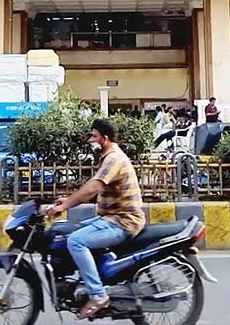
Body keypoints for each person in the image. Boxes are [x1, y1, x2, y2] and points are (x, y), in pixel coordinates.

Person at [46, 119, 145, 318]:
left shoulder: (114, 158)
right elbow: (91, 187)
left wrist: (66, 206)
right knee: (68, 232)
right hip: (110, 218)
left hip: (123, 221)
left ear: (104, 138)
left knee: (76, 241)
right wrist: (67, 200)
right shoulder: (108, 157)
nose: (90, 140)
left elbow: (94, 186)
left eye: (94, 136)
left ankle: (98, 295)